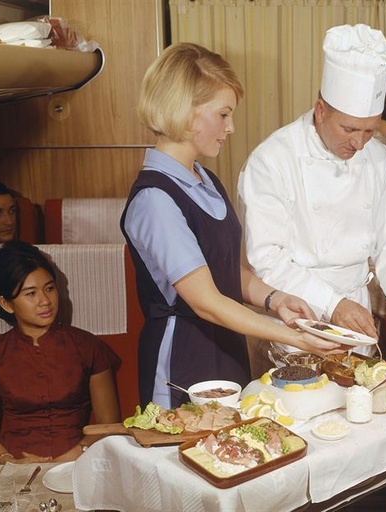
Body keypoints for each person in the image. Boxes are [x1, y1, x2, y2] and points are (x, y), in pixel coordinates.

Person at [120, 42, 342, 409]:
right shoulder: (155, 199)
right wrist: (297, 338)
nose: (231, 127)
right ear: (187, 112)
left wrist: (275, 299)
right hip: (183, 357)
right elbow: (206, 301)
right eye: (223, 115)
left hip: (225, 345)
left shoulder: (205, 179)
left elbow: (220, 270)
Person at [238, 24, 386, 358]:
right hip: (296, 323)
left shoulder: (379, 157)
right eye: (349, 129)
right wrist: (331, 303)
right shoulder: (273, 159)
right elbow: (268, 258)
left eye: (369, 130)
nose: (358, 143)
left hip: (357, 318)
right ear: (321, 110)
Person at [0, 241, 121, 465]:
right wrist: (9, 462)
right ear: (7, 304)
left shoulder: (88, 347)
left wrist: (79, 452)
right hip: (14, 465)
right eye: (31, 294)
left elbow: (109, 423)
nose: (45, 301)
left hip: (80, 462)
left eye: (49, 288)